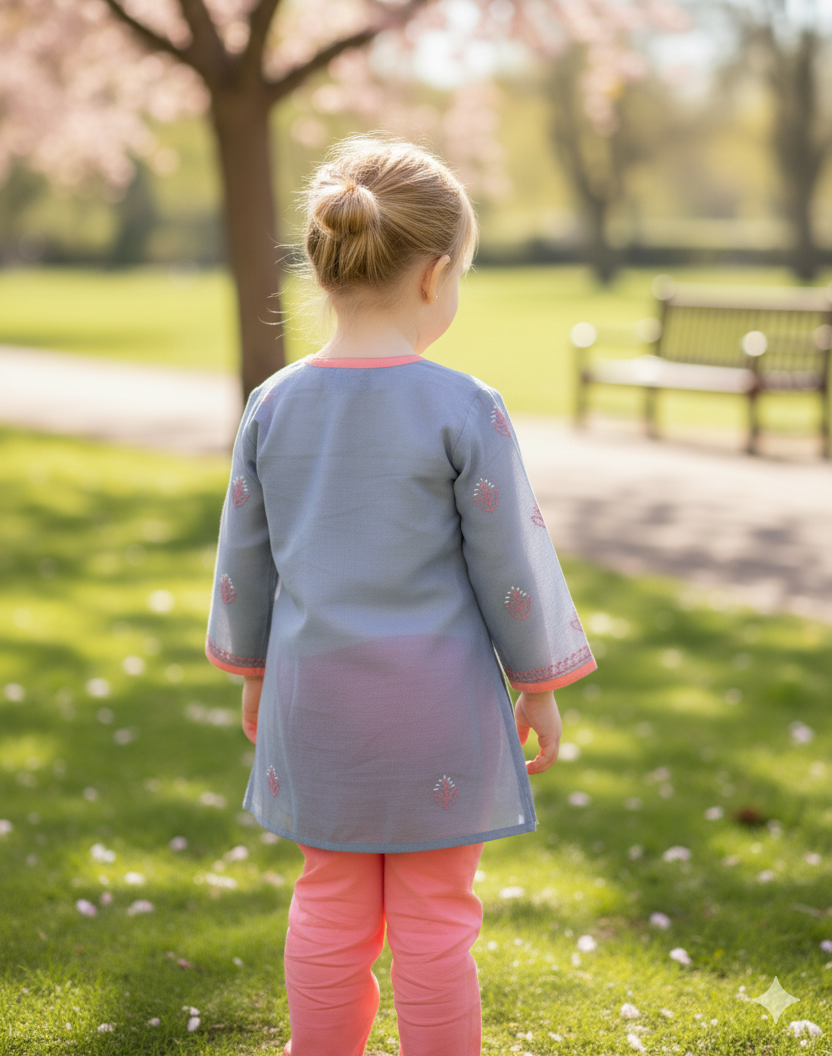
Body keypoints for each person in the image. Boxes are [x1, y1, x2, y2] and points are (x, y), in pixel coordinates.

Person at [205, 135, 597, 1056]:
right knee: (436, 921)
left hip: (316, 709)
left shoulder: (272, 404)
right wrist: (539, 683)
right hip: (438, 716)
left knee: (328, 905)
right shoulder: (465, 407)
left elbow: (244, 563)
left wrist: (254, 674)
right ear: (433, 275)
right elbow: (512, 564)